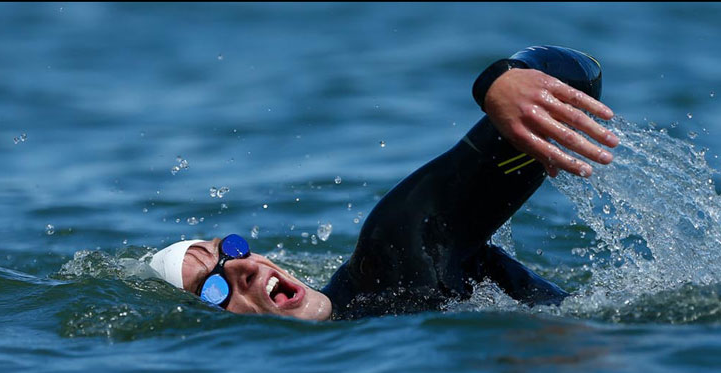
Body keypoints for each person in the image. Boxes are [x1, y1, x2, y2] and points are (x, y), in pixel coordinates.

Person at [149, 45, 620, 320]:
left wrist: (499, 80)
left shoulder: (391, 255)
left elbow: (577, 75)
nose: (240, 269)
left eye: (229, 249)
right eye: (212, 291)